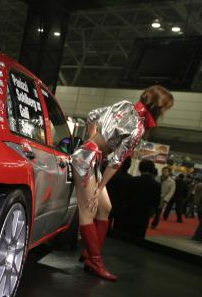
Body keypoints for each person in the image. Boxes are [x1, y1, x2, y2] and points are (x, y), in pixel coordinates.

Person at [72, 85, 174, 281]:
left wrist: (91, 139)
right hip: (87, 160)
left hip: (88, 156)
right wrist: (100, 187)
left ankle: (90, 253)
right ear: (157, 108)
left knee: (105, 208)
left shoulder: (125, 105)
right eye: (165, 109)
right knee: (87, 211)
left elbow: (92, 115)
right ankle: (95, 261)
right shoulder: (138, 128)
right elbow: (116, 161)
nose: (164, 114)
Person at [118, 160, 161, 238]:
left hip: (129, 212)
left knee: (124, 235)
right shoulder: (156, 185)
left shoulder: (132, 180)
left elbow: (123, 196)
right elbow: (156, 203)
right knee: (138, 236)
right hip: (143, 215)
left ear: (139, 168)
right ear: (152, 170)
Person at [106, 157, 132, 224]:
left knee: (106, 220)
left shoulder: (112, 174)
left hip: (109, 201)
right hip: (121, 205)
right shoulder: (130, 178)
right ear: (129, 165)